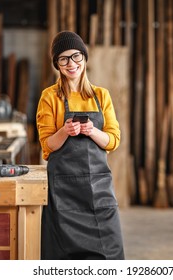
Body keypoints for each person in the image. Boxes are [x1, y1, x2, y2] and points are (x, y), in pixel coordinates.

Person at [36, 31, 125, 260]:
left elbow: (113, 141)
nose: (71, 63)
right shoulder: (50, 97)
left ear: (84, 58)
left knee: (110, 253)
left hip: (98, 188)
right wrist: (64, 131)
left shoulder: (101, 95)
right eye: (63, 58)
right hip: (63, 191)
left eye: (76, 56)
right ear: (57, 64)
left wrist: (93, 131)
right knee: (62, 258)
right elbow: (47, 146)